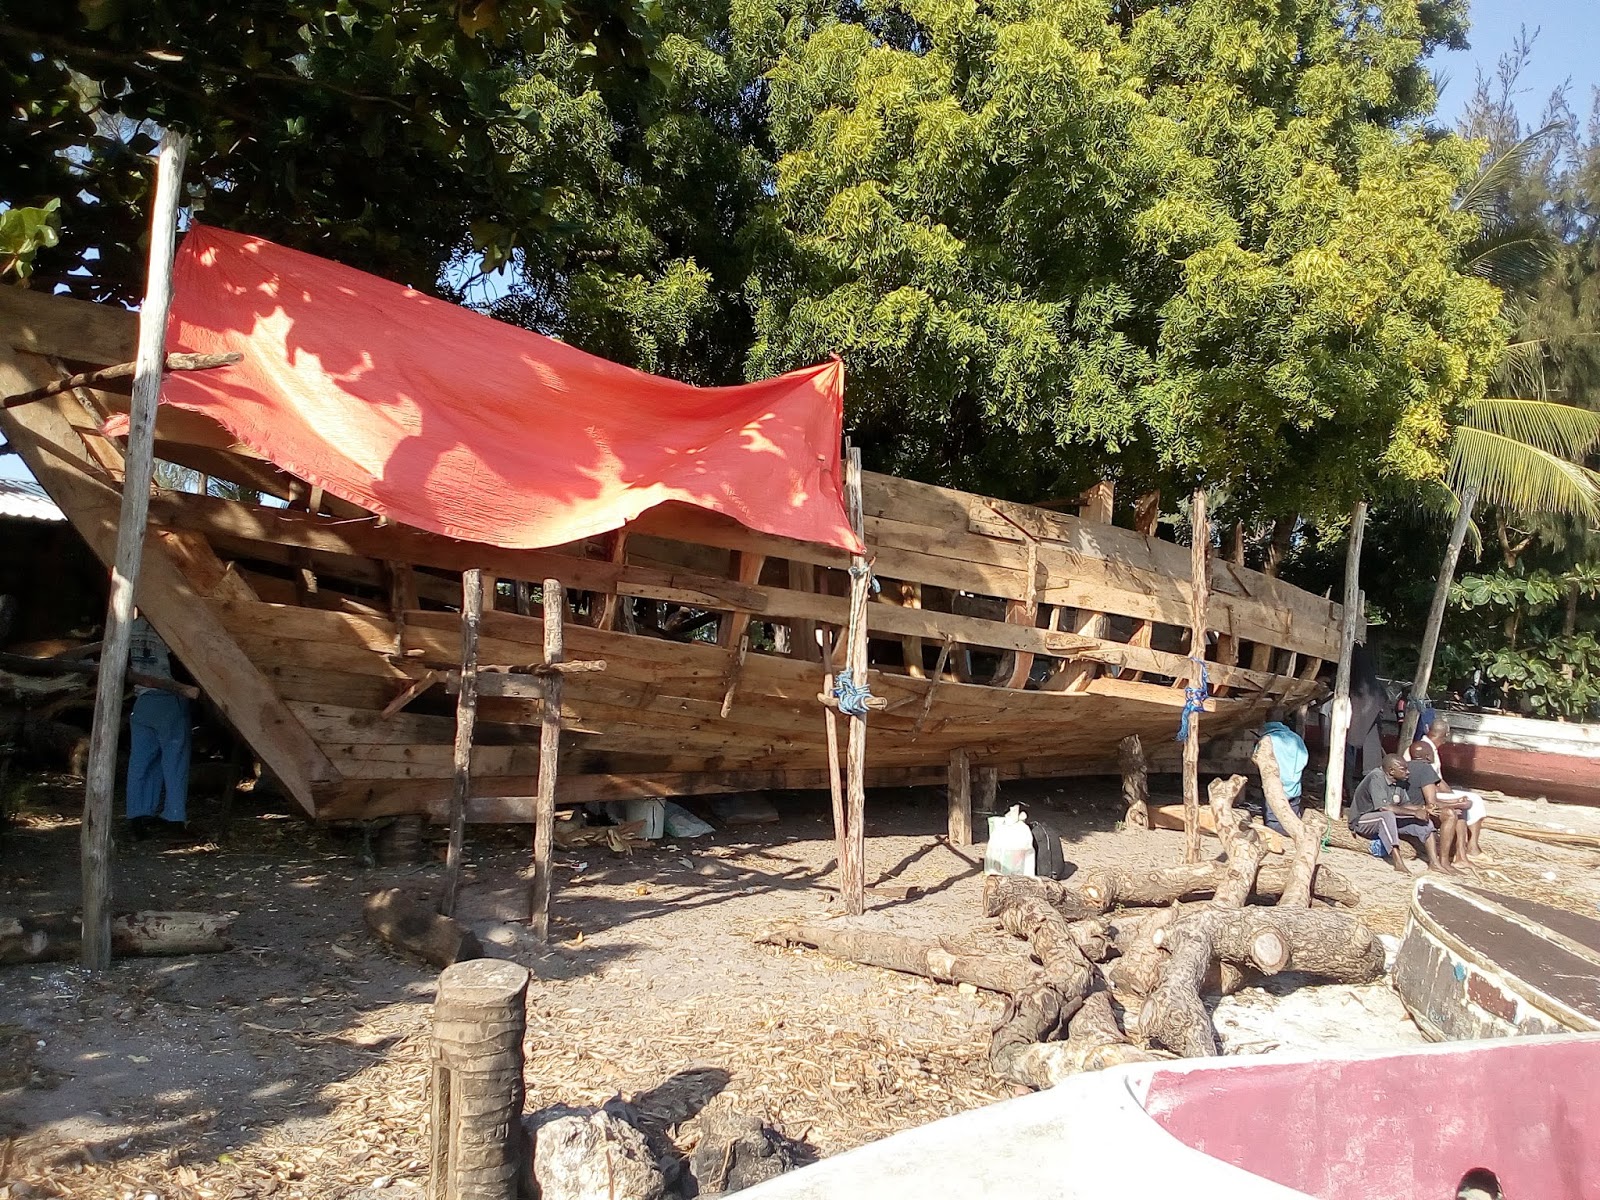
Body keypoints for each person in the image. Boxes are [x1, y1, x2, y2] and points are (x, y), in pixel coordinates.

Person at [126, 613, 192, 839]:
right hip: (169, 698)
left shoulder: (133, 628)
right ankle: (175, 817)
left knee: (141, 762)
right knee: (175, 761)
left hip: (143, 700)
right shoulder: (168, 625)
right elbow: (178, 667)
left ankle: (138, 815)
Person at [1347, 753, 1444, 873]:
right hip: (1362, 820)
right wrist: (1414, 813)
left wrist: (1423, 809)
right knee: (1386, 816)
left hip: (1388, 820)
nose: (1408, 772)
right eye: (1403, 769)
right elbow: (1384, 808)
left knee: (1424, 822)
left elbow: (1405, 805)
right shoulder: (1376, 777)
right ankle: (1398, 862)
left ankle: (1434, 863)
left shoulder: (1399, 782)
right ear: (1391, 771)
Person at [1406, 739, 1466, 868]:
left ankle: (1459, 856)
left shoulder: (1406, 766)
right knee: (1451, 814)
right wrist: (1457, 804)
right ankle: (1445, 860)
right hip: (1418, 811)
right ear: (1428, 756)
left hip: (1407, 808)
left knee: (1456, 811)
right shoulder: (1426, 769)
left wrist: (1455, 802)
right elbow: (1432, 803)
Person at [1258, 708, 1308, 834]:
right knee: (1293, 820)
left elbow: (1258, 759)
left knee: (1273, 825)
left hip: (1274, 789)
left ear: (1265, 720)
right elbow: (1304, 758)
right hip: (1294, 788)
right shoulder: (1295, 738)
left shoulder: (1267, 739)